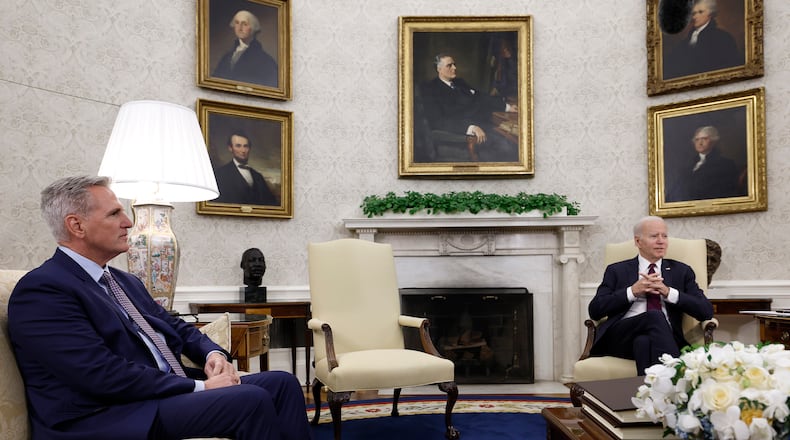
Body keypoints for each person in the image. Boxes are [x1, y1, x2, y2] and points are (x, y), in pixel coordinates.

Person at [7, 176, 311, 440]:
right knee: (250, 400)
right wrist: (200, 387)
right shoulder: (44, 290)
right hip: (105, 415)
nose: (128, 222)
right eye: (115, 214)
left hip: (154, 395)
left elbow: (176, 327)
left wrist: (212, 354)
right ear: (77, 225)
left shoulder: (125, 281)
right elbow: (100, 374)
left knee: (281, 382)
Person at [587, 216, 714, 374]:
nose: (661, 241)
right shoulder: (617, 270)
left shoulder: (682, 271)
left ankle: (647, 396)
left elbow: (706, 311)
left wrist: (669, 292)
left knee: (643, 342)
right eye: (654, 236)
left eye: (664, 236)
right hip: (621, 337)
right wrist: (632, 292)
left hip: (664, 337)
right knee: (654, 316)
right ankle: (677, 372)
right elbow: (595, 309)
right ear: (638, 241)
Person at [418, 53, 519, 162]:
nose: (454, 68)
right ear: (439, 69)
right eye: (449, 65)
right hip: (463, 134)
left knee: (512, 139)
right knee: (507, 147)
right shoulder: (430, 89)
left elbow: (480, 96)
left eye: (454, 64)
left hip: (484, 124)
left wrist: (507, 107)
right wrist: (471, 127)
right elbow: (438, 121)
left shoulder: (459, 82)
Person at [664, 0, 743, 79]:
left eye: (700, 12)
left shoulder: (723, 38)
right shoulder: (685, 41)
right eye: (694, 13)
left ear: (710, 14)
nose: (695, 17)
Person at [666, 125, 745, 202]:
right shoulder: (688, 165)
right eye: (697, 140)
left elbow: (724, 192)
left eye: (704, 139)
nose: (700, 143)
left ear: (714, 141)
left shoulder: (725, 164)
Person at [212, 10, 278, 87]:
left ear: (253, 28)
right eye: (237, 23)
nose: (239, 28)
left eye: (245, 24)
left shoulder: (265, 60)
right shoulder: (227, 57)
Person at [214, 131, 279, 206]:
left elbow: (271, 204)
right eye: (238, 146)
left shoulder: (258, 177)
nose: (243, 150)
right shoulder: (220, 174)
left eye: (246, 146)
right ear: (230, 148)